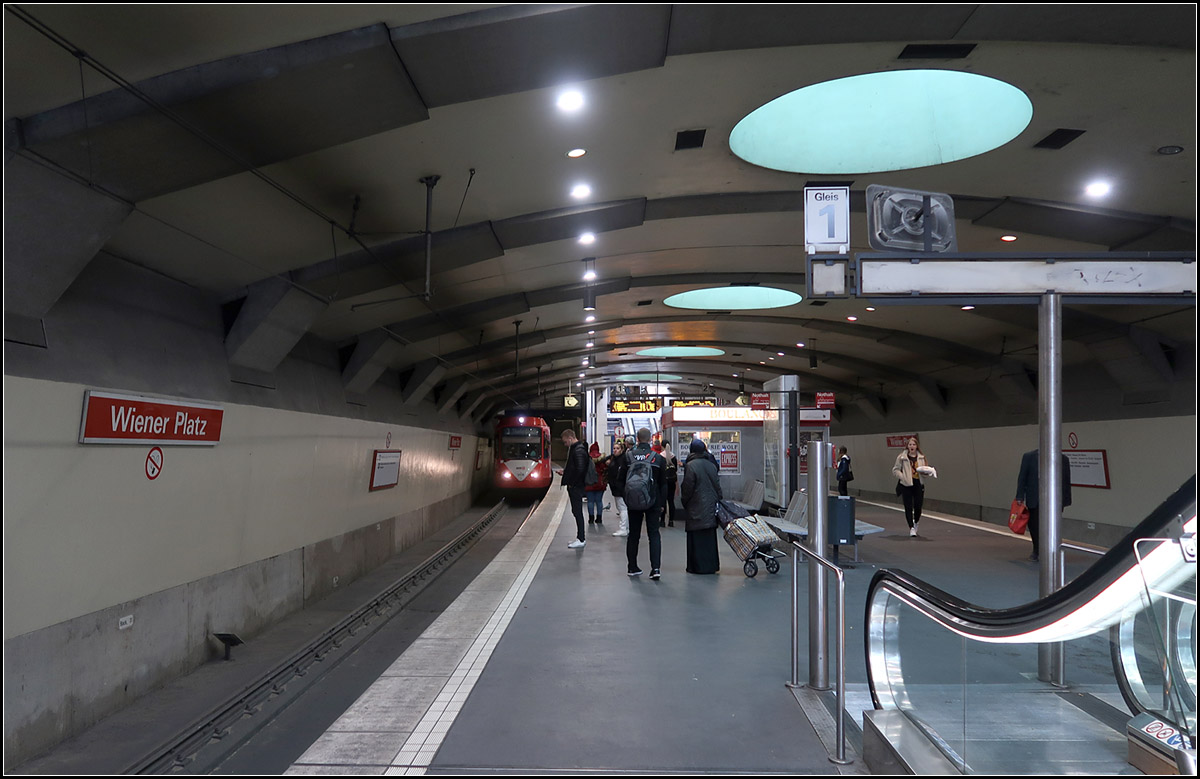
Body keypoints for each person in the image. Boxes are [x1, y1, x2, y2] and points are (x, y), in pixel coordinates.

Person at [1014, 449, 1073, 562]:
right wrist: (1020, 496)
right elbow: (1022, 477)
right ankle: (1037, 549)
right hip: (1035, 498)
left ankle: (1050, 550)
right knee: (1034, 525)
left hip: (1055, 499)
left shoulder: (1063, 459)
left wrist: (1066, 500)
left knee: (1052, 526)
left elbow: (1066, 481)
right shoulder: (1029, 457)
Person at [625, 427, 667, 579]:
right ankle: (655, 569)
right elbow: (663, 483)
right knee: (654, 534)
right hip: (653, 500)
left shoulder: (628, 456)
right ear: (650, 439)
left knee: (633, 534)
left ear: (637, 438)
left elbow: (620, 479)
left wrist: (626, 498)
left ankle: (632, 567)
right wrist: (662, 503)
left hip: (633, 501)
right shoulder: (658, 458)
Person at [681, 438, 723, 574]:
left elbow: (687, 487)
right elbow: (717, 486)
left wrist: (685, 502)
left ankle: (696, 566)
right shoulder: (711, 465)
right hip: (710, 506)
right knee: (709, 537)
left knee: (696, 537)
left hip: (695, 506)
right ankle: (711, 565)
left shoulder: (691, 465)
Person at [892, 437, 932, 537]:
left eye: (913, 444)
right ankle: (911, 528)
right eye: (910, 445)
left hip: (918, 483)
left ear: (916, 446)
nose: (912, 446)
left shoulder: (921, 457)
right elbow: (895, 470)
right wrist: (903, 477)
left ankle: (916, 522)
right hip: (906, 484)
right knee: (908, 507)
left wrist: (927, 473)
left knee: (918, 506)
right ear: (907, 446)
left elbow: (925, 469)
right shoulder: (902, 457)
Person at [559, 429, 590, 549]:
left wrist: (572, 483)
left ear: (571, 438)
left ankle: (581, 538)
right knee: (576, 511)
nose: (565, 444)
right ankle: (579, 537)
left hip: (576, 487)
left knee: (577, 512)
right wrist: (566, 473)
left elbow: (580, 470)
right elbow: (576, 468)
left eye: (565, 442)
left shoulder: (578, 451)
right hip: (575, 486)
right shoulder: (577, 449)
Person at [606, 440, 629, 537]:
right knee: (621, 508)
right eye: (614, 448)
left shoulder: (621, 460)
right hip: (616, 487)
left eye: (617, 448)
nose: (615, 450)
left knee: (622, 508)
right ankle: (625, 527)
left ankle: (623, 528)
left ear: (622, 450)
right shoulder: (615, 459)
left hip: (619, 487)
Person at [585, 442, 608, 525]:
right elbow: (605, 469)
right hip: (600, 482)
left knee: (590, 501)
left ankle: (591, 519)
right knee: (599, 501)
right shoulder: (602, 459)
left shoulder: (587, 458)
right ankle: (599, 518)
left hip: (589, 482)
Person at [661, 442, 679, 527]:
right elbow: (675, 469)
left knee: (663, 501)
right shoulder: (673, 457)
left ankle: (662, 521)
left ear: (662, 446)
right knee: (671, 501)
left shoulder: (661, 456)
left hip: (663, 481)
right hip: (672, 481)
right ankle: (671, 521)